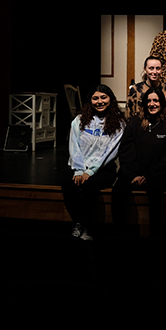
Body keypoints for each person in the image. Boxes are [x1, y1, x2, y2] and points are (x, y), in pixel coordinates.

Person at [62, 85, 126, 241]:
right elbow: (74, 146)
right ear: (90, 101)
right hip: (80, 165)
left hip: (104, 168)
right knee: (68, 184)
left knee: (90, 186)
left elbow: (110, 151)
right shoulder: (78, 120)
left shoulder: (119, 123)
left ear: (110, 99)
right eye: (95, 98)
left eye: (103, 97)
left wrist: (90, 172)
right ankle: (79, 223)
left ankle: (86, 227)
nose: (100, 101)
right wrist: (78, 170)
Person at [113, 88, 166, 237]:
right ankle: (119, 236)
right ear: (144, 104)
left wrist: (148, 175)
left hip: (158, 173)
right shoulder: (133, 123)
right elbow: (125, 151)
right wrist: (133, 175)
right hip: (133, 173)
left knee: (155, 192)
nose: (152, 104)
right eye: (149, 101)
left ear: (162, 103)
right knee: (118, 190)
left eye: (155, 100)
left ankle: (155, 238)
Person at [126, 55, 166, 120]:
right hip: (140, 128)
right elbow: (129, 116)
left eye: (158, 68)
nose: (155, 72)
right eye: (151, 68)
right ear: (145, 70)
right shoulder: (135, 89)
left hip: (162, 128)